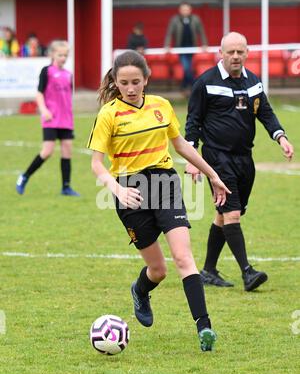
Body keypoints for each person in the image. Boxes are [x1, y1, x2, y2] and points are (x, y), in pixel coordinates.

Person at [87, 50, 231, 352]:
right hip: (130, 191)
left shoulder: (161, 106)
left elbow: (181, 146)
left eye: (135, 82)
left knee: (183, 258)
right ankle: (141, 290)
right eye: (123, 82)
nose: (129, 88)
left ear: (146, 80)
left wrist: (212, 175)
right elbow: (97, 164)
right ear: (115, 81)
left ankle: (204, 327)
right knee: (159, 270)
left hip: (165, 183)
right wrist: (118, 190)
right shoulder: (108, 114)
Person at [184, 32, 294, 291]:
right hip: (217, 159)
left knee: (224, 215)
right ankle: (247, 272)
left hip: (245, 159)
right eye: (230, 52)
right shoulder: (205, 83)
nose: (235, 56)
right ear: (220, 53)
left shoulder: (253, 81)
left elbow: (265, 112)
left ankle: (209, 271)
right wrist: (192, 159)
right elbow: (193, 122)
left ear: (247, 53)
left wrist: (281, 137)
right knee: (231, 213)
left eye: (240, 52)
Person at [16, 40, 79, 196]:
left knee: (67, 151)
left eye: (65, 55)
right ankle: (24, 177)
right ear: (52, 54)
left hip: (66, 120)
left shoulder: (68, 75)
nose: (63, 58)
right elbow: (39, 94)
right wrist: (44, 110)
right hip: (51, 119)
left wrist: (71, 119)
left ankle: (66, 187)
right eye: (60, 54)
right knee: (47, 151)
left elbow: (68, 99)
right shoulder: (47, 71)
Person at [164, 2, 207, 93]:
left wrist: (204, 44)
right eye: (183, 9)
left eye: (187, 9)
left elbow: (201, 32)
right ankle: (192, 86)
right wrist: (167, 45)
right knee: (187, 68)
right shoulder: (174, 20)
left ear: (190, 10)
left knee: (190, 68)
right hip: (180, 48)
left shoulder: (196, 19)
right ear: (180, 10)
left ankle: (185, 86)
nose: (185, 11)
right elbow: (169, 33)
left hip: (193, 47)